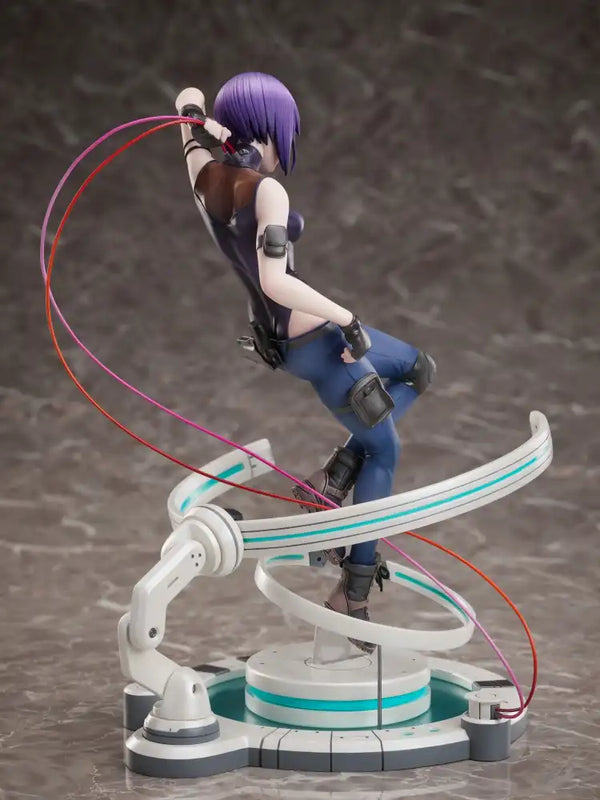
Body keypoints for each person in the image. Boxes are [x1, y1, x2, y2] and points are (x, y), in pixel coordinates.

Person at [175, 72, 435, 652]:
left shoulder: (203, 175)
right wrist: (347, 317)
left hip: (283, 340)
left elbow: (185, 118)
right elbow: (275, 279)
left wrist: (195, 114)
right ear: (270, 129)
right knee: (386, 452)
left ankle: (333, 479)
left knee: (417, 369)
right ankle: (353, 594)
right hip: (318, 344)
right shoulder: (267, 190)